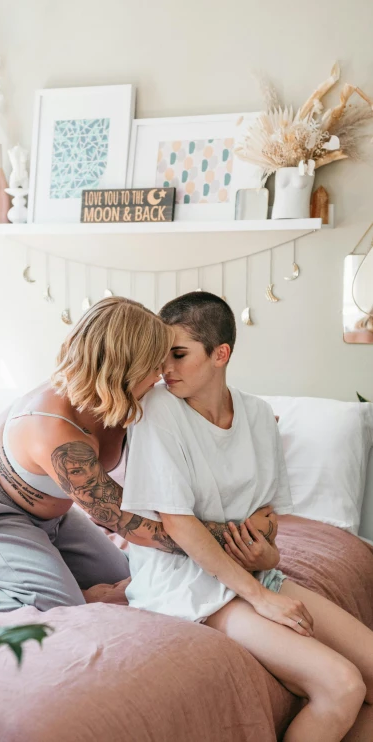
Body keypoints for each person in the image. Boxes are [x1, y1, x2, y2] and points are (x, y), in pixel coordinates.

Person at [0, 297, 275, 611]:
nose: (163, 374)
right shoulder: (56, 434)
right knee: (63, 604)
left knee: (133, 580)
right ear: (125, 369)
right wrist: (236, 534)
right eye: (155, 364)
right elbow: (131, 525)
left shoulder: (131, 399)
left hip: (50, 513)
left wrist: (248, 428)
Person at [121, 291, 373, 742]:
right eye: (163, 357)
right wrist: (259, 595)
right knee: (342, 685)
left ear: (221, 354)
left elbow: (267, 515)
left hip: (250, 573)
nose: (166, 369)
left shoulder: (257, 415)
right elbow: (178, 522)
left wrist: (266, 553)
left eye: (179, 355)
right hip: (187, 585)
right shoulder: (157, 411)